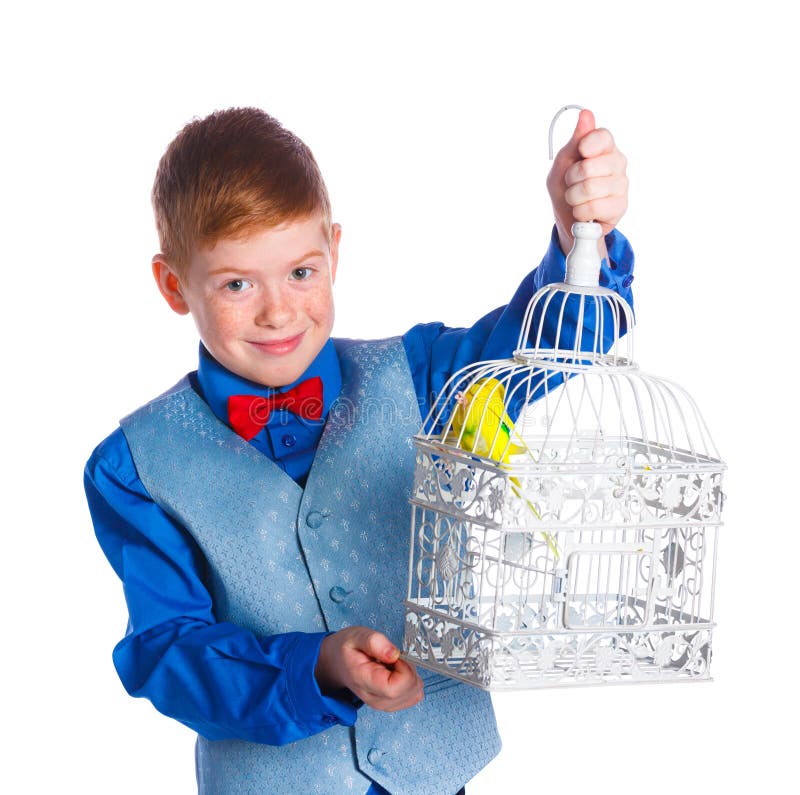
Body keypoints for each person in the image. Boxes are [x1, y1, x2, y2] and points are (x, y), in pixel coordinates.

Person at [84, 106, 631, 795]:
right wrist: (315, 666)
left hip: (437, 775)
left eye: (302, 272)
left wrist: (584, 235)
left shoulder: (420, 373)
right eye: (236, 284)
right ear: (173, 285)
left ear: (335, 253)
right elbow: (169, 651)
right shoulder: (134, 465)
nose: (279, 312)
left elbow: (549, 343)